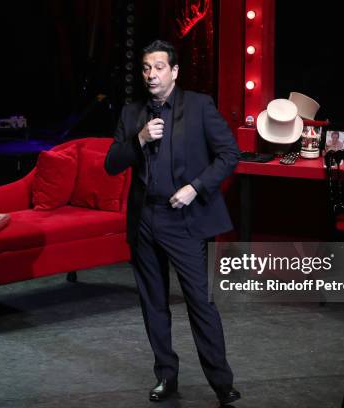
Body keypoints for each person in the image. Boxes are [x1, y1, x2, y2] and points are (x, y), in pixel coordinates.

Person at [104, 40, 241, 405]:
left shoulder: (198, 106)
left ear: (174, 71)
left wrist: (196, 188)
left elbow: (229, 155)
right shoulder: (132, 113)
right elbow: (111, 163)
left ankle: (221, 382)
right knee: (153, 303)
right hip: (144, 218)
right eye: (147, 68)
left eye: (159, 67)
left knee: (199, 301)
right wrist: (140, 138)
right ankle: (166, 377)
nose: (151, 75)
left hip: (182, 218)